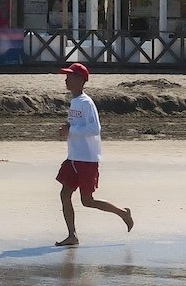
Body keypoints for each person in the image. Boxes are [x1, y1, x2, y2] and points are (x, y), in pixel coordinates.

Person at [53, 62, 133, 247]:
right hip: (73, 157)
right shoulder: (74, 101)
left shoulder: (86, 102)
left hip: (87, 159)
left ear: (80, 80)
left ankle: (123, 213)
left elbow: (94, 129)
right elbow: (75, 127)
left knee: (87, 201)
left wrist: (71, 129)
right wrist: (66, 131)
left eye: (70, 76)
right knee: (65, 194)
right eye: (66, 76)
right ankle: (72, 235)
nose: (66, 79)